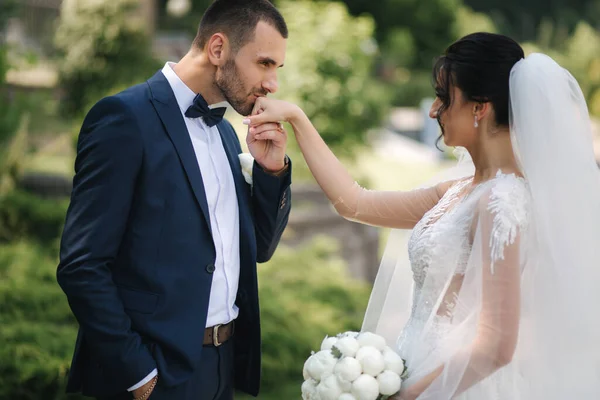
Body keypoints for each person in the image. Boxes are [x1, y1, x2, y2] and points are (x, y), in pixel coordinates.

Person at [243, 32, 600, 399]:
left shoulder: (503, 201)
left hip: (456, 386)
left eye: (444, 98)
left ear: (480, 108)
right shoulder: (459, 191)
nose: (433, 110)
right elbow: (354, 203)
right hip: (417, 367)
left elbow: (495, 345)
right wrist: (297, 120)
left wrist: (406, 397)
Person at [56, 1, 292, 399]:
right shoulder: (124, 118)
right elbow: (82, 264)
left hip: (221, 368)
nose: (272, 84)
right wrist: (139, 375)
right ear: (218, 49)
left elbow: (260, 249)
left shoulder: (228, 134)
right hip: (153, 374)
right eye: (264, 63)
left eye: (276, 69)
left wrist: (270, 173)